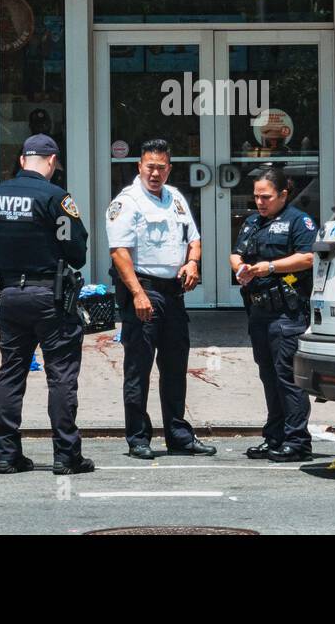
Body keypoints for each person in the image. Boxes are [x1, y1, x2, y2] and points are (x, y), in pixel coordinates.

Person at [0, 134, 93, 475]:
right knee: (60, 375)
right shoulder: (55, 197)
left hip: (10, 296)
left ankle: (6, 453)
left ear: (21, 160)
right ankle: (65, 455)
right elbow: (77, 251)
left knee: (11, 373)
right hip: (49, 295)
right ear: (52, 162)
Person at [106, 138, 215, 459]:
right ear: (139, 166)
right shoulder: (128, 202)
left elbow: (194, 239)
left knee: (175, 367)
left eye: (161, 168)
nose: (155, 173)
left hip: (173, 294)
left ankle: (178, 435)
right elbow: (119, 253)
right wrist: (138, 293)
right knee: (138, 369)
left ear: (169, 168)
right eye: (150, 167)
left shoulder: (175, 198)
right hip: (144, 290)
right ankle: (138, 437)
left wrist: (193, 262)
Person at [229, 167, 317, 462]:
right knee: (268, 376)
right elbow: (236, 252)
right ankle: (275, 436)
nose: (260, 202)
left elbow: (309, 256)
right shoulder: (252, 222)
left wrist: (269, 267)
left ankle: (297, 440)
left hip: (286, 314)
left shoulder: (298, 221)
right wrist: (239, 267)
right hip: (258, 310)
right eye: (256, 197)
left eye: (266, 197)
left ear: (283, 194)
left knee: (287, 376)